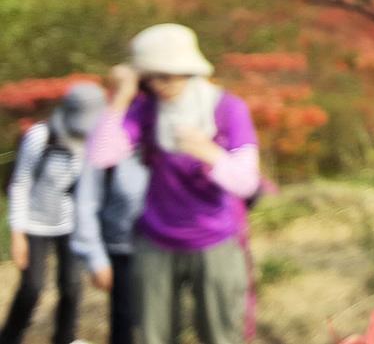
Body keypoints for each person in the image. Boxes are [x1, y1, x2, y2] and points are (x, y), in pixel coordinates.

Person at [89, 24, 259, 344]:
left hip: (215, 240)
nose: (164, 85)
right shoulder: (147, 109)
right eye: (154, 77)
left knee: (221, 335)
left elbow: (247, 183)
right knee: (152, 335)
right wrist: (122, 96)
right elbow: (101, 155)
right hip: (156, 238)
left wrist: (209, 153)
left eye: (174, 75)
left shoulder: (227, 109)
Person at [2, 81, 105, 344]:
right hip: (34, 224)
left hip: (70, 223)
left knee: (71, 286)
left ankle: (65, 338)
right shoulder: (40, 136)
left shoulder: (96, 140)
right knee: (32, 288)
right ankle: (10, 337)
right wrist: (18, 234)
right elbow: (21, 184)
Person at [70, 140, 149, 344]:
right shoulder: (105, 140)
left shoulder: (165, 135)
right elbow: (85, 203)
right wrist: (95, 258)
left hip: (165, 249)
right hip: (122, 250)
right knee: (125, 322)